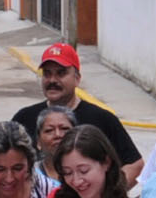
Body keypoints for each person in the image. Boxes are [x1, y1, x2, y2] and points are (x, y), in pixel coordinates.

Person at [8, 43, 144, 186]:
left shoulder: (102, 119)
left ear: (77, 78)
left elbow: (135, 165)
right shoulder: (24, 118)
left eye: (61, 73)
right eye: (47, 74)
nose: (52, 80)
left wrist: (107, 197)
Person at [34, 106, 76, 183]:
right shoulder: (29, 176)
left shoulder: (90, 173)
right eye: (49, 130)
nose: (58, 135)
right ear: (38, 141)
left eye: (64, 129)